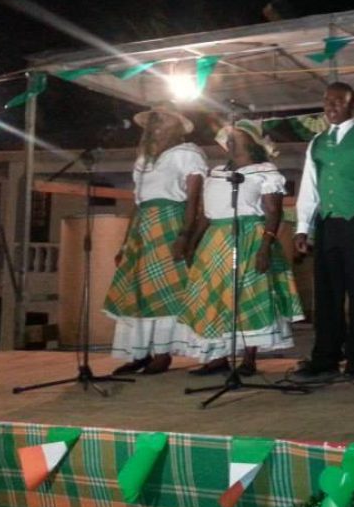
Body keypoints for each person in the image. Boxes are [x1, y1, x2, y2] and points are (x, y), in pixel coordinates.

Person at [181, 119, 301, 375]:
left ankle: (248, 359)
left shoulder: (264, 171)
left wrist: (265, 246)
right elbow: (207, 214)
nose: (231, 140)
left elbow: (273, 212)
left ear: (252, 141)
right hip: (215, 241)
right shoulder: (216, 173)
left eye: (238, 136)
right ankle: (218, 357)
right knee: (215, 297)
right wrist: (193, 243)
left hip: (249, 237)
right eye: (228, 137)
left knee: (247, 296)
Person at [104, 105, 206, 375]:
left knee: (165, 291)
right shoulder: (143, 161)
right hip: (143, 228)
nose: (155, 126)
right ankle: (140, 353)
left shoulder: (187, 154)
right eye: (152, 122)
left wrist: (185, 235)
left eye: (161, 121)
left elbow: (195, 199)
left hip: (171, 223)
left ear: (175, 125)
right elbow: (137, 204)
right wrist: (126, 243)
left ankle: (163, 353)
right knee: (137, 292)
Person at [293, 82, 354, 380]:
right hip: (328, 222)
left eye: (339, 102)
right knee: (326, 293)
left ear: (352, 105)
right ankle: (326, 356)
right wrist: (303, 227)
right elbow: (310, 187)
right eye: (327, 101)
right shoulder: (317, 141)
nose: (331, 107)